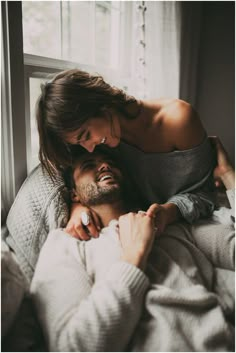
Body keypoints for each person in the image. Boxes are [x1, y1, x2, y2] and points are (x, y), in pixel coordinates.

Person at [30, 142, 234, 352]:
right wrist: (134, 255)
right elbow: (73, 347)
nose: (104, 166)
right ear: (74, 195)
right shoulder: (66, 244)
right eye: (89, 164)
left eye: (111, 163)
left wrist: (229, 175)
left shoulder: (169, 225)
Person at [36, 69, 216, 240]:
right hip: (140, 229)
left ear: (100, 105)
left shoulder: (178, 120)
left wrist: (170, 211)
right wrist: (78, 208)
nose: (89, 149)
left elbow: (208, 193)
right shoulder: (101, 143)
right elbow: (77, 180)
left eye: (86, 135)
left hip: (197, 223)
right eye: (80, 142)